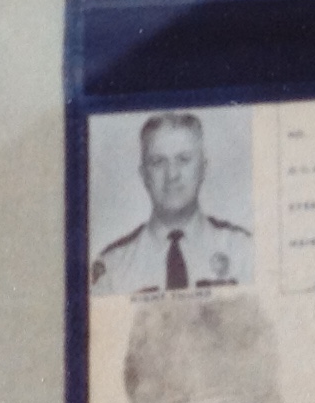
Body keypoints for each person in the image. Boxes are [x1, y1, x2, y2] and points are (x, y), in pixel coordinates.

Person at [91, 112, 254, 295]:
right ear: (144, 174)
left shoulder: (244, 252)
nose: (172, 175)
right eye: (158, 162)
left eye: (183, 160)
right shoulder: (113, 267)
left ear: (203, 168)